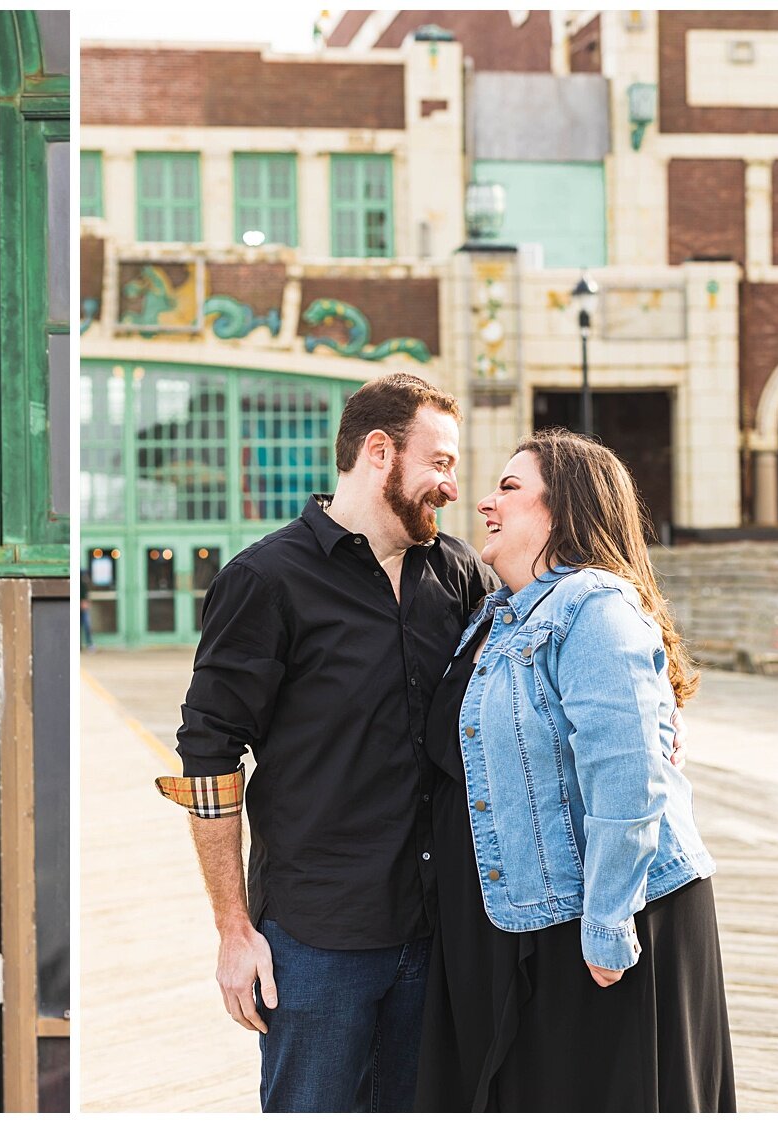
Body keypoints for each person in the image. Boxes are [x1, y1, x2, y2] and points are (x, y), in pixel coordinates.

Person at [155, 373, 496, 1112]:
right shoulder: (266, 579)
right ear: (380, 451)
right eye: (439, 462)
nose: (451, 484)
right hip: (316, 942)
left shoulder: (461, 575)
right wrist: (232, 928)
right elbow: (209, 755)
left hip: (438, 932)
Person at [415, 429, 734, 1111]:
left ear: (562, 510)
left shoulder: (593, 606)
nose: (483, 503)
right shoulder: (496, 616)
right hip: (531, 914)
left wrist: (608, 923)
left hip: (605, 922)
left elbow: (628, 775)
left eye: (508, 487)